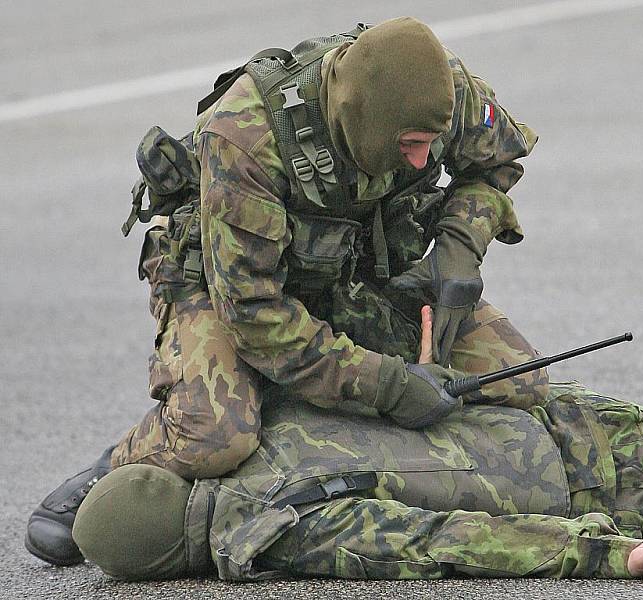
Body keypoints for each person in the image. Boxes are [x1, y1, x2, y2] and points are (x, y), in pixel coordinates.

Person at [26, 16, 550, 566]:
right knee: (216, 435)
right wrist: (389, 386)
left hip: (354, 270)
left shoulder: (443, 91)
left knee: (519, 378)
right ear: (366, 121)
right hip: (224, 287)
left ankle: (299, 403)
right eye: (410, 146)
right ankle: (125, 460)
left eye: (430, 145)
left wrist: (459, 246)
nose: (422, 161)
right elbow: (255, 314)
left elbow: (496, 162)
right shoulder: (245, 136)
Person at [67, 310, 643, 581]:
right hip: (564, 427)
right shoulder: (249, 432)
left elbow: (440, 540)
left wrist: (609, 555)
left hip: (600, 486)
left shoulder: (269, 528)